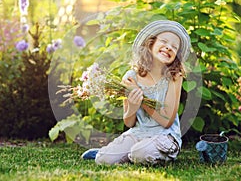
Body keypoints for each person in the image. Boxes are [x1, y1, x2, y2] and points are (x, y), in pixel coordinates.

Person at [81, 20, 191, 165]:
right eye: (164, 41)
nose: (168, 47)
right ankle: (111, 152)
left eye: (174, 47)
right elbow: (129, 122)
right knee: (103, 159)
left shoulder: (174, 76)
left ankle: (135, 153)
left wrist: (141, 99)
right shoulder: (130, 77)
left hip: (165, 136)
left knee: (140, 153)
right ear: (151, 43)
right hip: (138, 133)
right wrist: (133, 106)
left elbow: (167, 120)